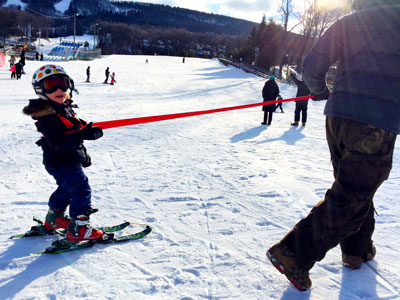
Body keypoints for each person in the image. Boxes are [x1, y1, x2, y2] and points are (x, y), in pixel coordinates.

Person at [267, 0, 399, 291]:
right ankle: (293, 253)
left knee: (352, 187)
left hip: (337, 117)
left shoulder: (351, 22)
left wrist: (320, 91)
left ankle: (357, 249)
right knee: (352, 192)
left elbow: (312, 65)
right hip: (375, 121)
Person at [22, 64, 105, 243]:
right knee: (81, 190)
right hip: (62, 161)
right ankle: (78, 229)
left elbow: (74, 125)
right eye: (51, 86)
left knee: (67, 189)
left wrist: (87, 129)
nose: (59, 89)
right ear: (40, 90)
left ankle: (54, 219)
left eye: (63, 84)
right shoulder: (47, 116)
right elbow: (59, 143)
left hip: (62, 160)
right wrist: (83, 134)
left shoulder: (61, 107)